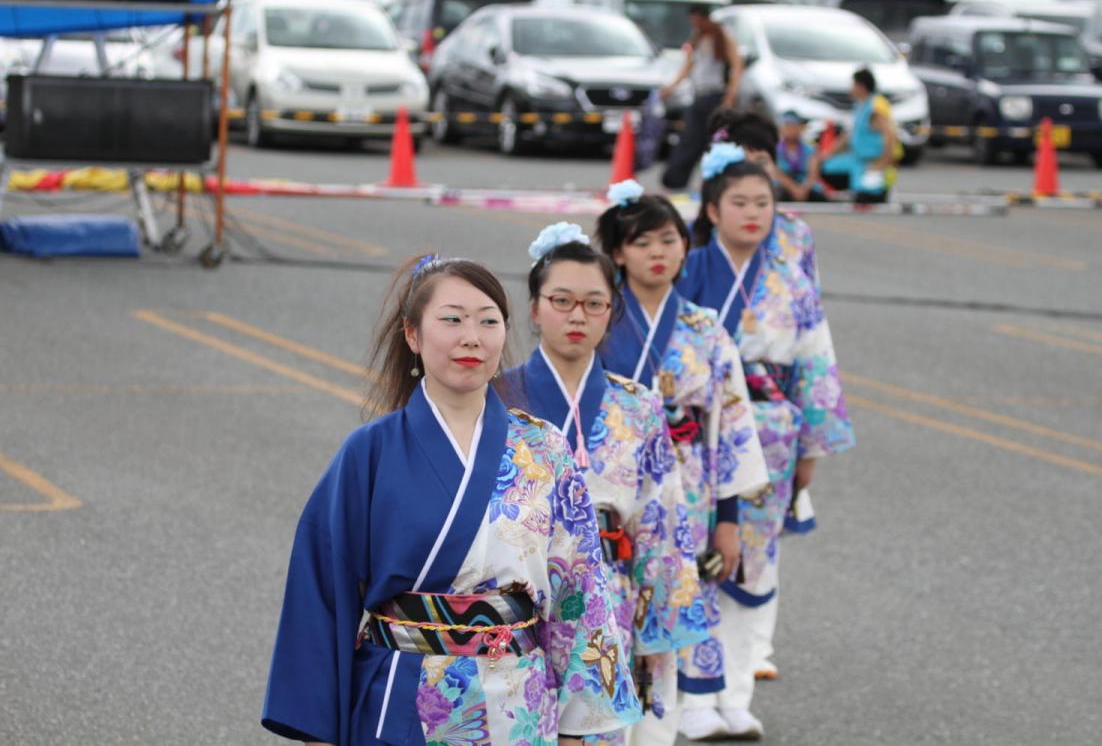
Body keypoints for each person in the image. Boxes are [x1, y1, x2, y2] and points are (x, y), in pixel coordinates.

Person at [261, 255, 642, 746]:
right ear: (413, 335)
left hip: (517, 706)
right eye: (452, 319)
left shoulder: (543, 449)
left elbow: (582, 590)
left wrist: (579, 726)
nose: (472, 337)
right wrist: (319, 729)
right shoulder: (370, 452)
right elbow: (320, 592)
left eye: (488, 321)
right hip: (400, 699)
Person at [674, 144, 856, 739]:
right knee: (695, 560)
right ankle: (693, 699)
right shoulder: (689, 271)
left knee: (754, 563)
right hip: (697, 435)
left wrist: (810, 450)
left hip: (772, 435)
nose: (753, 213)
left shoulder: (790, 283)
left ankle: (736, 692)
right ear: (711, 208)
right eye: (739, 202)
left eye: (764, 202)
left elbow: (816, 365)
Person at [503, 223, 709, 745]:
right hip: (521, 599)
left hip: (611, 595)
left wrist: (656, 625)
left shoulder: (636, 403)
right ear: (534, 307)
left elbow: (662, 516)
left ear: (611, 311)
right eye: (562, 300)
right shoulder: (499, 399)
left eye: (594, 304)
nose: (577, 315)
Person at [595, 180, 770, 743]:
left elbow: (731, 429)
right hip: (613, 491)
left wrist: (728, 519)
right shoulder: (595, 319)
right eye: (642, 242)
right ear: (618, 253)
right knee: (608, 606)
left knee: (684, 598)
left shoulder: (704, 329)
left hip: (689, 482)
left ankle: (684, 711)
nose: (659, 253)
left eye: (669, 240)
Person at [659, 5, 743, 191]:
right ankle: (676, 180)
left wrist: (730, 95)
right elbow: (688, 66)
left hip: (716, 96)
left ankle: (720, 182)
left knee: (718, 141)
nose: (695, 24)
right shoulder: (696, 38)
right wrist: (671, 87)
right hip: (699, 95)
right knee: (690, 139)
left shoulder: (722, 36)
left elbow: (737, 65)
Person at [816, 67, 900, 202]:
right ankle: (854, 189)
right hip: (856, 159)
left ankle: (878, 188)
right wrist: (828, 154)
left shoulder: (875, 106)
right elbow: (849, 135)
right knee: (826, 168)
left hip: (872, 162)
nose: (851, 89)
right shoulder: (860, 106)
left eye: (853, 85)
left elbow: (890, 135)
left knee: (866, 196)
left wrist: (883, 163)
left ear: (861, 86)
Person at [774, 111, 825, 203]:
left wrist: (803, 190)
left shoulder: (810, 150)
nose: (790, 130)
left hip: (806, 187)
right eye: (787, 126)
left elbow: (813, 175)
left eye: (793, 126)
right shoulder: (775, 150)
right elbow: (776, 173)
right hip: (784, 187)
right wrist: (794, 189)